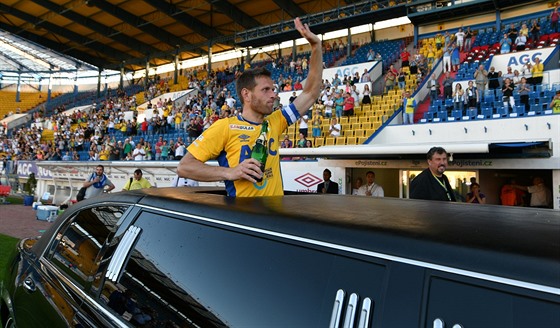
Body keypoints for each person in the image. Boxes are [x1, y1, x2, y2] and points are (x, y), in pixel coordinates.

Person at [177, 17, 323, 197]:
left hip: (275, 216)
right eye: (266, 90)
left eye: (273, 90)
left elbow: (311, 93)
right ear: (246, 94)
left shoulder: (276, 121)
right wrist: (230, 172)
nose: (273, 95)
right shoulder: (225, 127)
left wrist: (316, 47)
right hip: (244, 218)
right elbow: (185, 167)